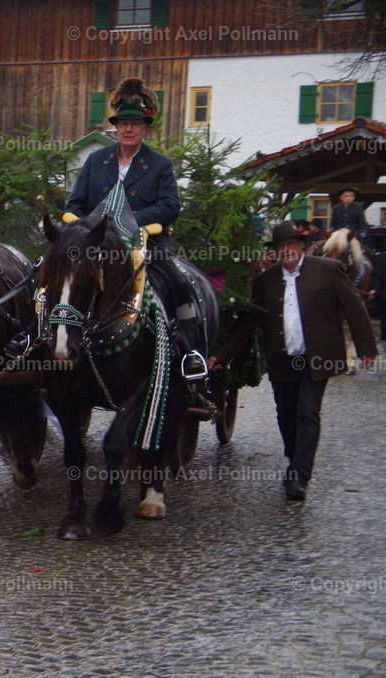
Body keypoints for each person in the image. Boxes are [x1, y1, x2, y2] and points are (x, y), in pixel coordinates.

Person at [209, 222, 378, 501]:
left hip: (317, 358)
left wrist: (366, 349)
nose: (286, 250)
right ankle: (294, 459)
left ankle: (300, 475)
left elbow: (353, 308)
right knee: (286, 416)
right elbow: (250, 321)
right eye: (280, 247)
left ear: (300, 246)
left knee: (307, 413)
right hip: (283, 360)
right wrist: (222, 355)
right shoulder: (266, 281)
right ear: (275, 252)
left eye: (291, 245)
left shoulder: (328, 270)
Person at [66, 77, 206, 380]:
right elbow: (75, 204)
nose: (129, 129)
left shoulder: (160, 164)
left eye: (136, 123)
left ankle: (191, 353)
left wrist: (124, 222)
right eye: (123, 123)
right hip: (95, 250)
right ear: (115, 127)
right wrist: (82, 227)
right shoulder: (95, 160)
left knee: (180, 286)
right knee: (52, 278)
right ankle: (35, 339)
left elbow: (170, 206)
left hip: (147, 249)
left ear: (146, 127)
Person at [371, 228, 386, 342]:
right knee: (384, 316)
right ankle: (384, 335)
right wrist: (375, 289)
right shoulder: (380, 257)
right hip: (383, 292)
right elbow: (377, 274)